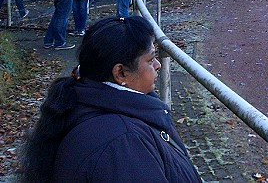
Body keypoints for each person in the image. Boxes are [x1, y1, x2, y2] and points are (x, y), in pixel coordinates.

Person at [20, 16, 201, 183]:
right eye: (151, 59)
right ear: (120, 73)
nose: (158, 65)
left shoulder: (82, 102)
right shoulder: (122, 144)